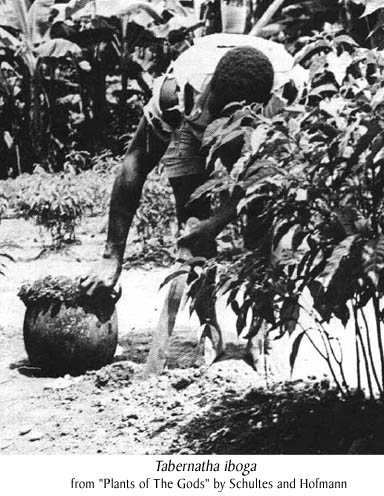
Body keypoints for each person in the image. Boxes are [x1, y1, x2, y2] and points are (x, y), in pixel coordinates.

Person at [80, 33, 297, 361]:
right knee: (192, 221)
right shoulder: (177, 93)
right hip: (188, 124)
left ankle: (260, 326)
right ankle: (209, 326)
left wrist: (218, 222)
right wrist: (112, 256)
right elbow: (133, 165)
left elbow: (262, 178)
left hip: (260, 134)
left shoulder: (286, 97)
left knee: (264, 219)